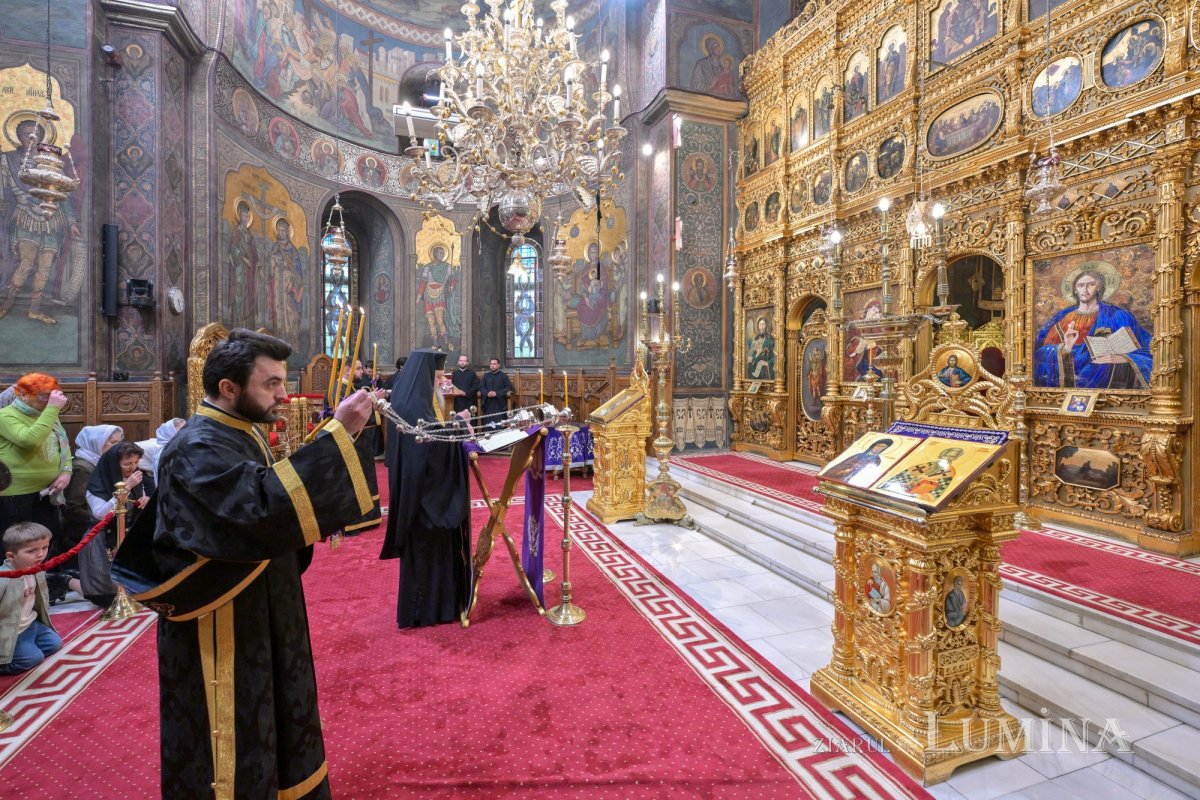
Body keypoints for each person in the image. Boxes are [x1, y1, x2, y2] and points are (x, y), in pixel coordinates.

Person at [111, 328, 378, 799]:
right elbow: (260, 511)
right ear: (229, 388)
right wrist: (340, 433)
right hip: (220, 617)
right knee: (232, 731)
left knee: (272, 710)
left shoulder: (235, 431)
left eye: (282, 381)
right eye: (271, 384)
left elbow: (263, 499)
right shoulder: (199, 445)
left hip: (256, 603)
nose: (284, 393)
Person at [381, 350, 473, 628]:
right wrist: (458, 425)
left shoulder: (413, 397)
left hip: (423, 496)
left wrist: (454, 422)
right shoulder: (412, 405)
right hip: (425, 502)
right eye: (439, 377)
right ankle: (426, 610)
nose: (443, 381)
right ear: (425, 376)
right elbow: (428, 447)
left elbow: (434, 429)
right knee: (426, 555)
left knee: (435, 552)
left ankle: (441, 605)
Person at [0, 374, 72, 584]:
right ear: (22, 394)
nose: (49, 401)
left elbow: (63, 444)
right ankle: (12, 588)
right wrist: (52, 409)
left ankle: (45, 586)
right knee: (16, 544)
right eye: (43, 397)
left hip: (45, 492)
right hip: (14, 493)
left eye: (51, 396)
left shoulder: (48, 414)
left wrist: (66, 471)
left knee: (46, 540)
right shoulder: (5, 415)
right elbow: (29, 440)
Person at [1034, 269, 1152, 389]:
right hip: (1071, 384)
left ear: (1099, 288)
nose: (1085, 289)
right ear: (1075, 289)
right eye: (1080, 285)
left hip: (1111, 386)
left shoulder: (1119, 315)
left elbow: (1149, 349)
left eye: (1090, 284)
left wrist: (1125, 358)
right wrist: (1065, 348)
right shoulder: (1062, 319)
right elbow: (1040, 355)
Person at [80, 441, 150, 607]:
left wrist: (145, 500)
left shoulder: (135, 478)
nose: (132, 467)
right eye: (127, 463)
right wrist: (126, 488)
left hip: (128, 533)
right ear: (114, 463)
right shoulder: (97, 484)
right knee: (105, 591)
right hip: (103, 536)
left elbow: (141, 499)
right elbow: (101, 513)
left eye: (135, 463)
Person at [60, 425, 123, 597]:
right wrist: (103, 520)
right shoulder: (83, 467)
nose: (117, 447)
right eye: (112, 442)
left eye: (119, 442)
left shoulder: (101, 463)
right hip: (80, 528)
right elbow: (73, 508)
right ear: (97, 442)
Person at [0, 522, 62, 674]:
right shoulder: (3, 579)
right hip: (10, 632)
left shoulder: (35, 569)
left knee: (55, 644)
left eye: (44, 547)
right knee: (32, 659)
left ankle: (25, 648)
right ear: (11, 556)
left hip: (30, 624)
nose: (40, 554)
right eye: (31, 551)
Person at [878, 446, 965, 505]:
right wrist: (904, 484)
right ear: (942, 454)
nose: (948, 458)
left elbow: (939, 490)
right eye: (947, 455)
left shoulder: (948, 472)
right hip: (898, 495)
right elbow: (901, 476)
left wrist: (919, 496)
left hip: (915, 499)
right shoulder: (924, 466)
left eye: (952, 457)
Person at [823, 438, 893, 487]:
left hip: (857, 478)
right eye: (878, 445)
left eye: (883, 447)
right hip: (843, 473)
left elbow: (870, 472)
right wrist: (845, 470)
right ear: (873, 445)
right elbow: (843, 464)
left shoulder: (877, 459)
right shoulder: (859, 455)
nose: (879, 448)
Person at [479, 358, 514, 425]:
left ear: (498, 365)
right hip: (488, 403)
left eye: (494, 364)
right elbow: (481, 387)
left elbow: (508, 387)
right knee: (487, 424)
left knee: (499, 424)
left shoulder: (503, 376)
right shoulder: (486, 376)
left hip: (499, 403)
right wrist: (487, 393)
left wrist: (496, 393)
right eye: (491, 364)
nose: (492, 365)